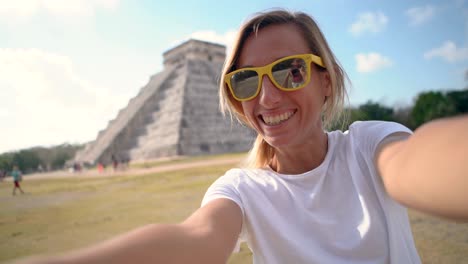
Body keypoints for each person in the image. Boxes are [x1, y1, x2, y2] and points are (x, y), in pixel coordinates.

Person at [15, 9, 468, 264]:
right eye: (246, 80)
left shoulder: (370, 147)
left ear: (325, 79)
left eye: (290, 71)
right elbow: (195, 240)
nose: (268, 98)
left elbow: (421, 162)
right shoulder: (243, 189)